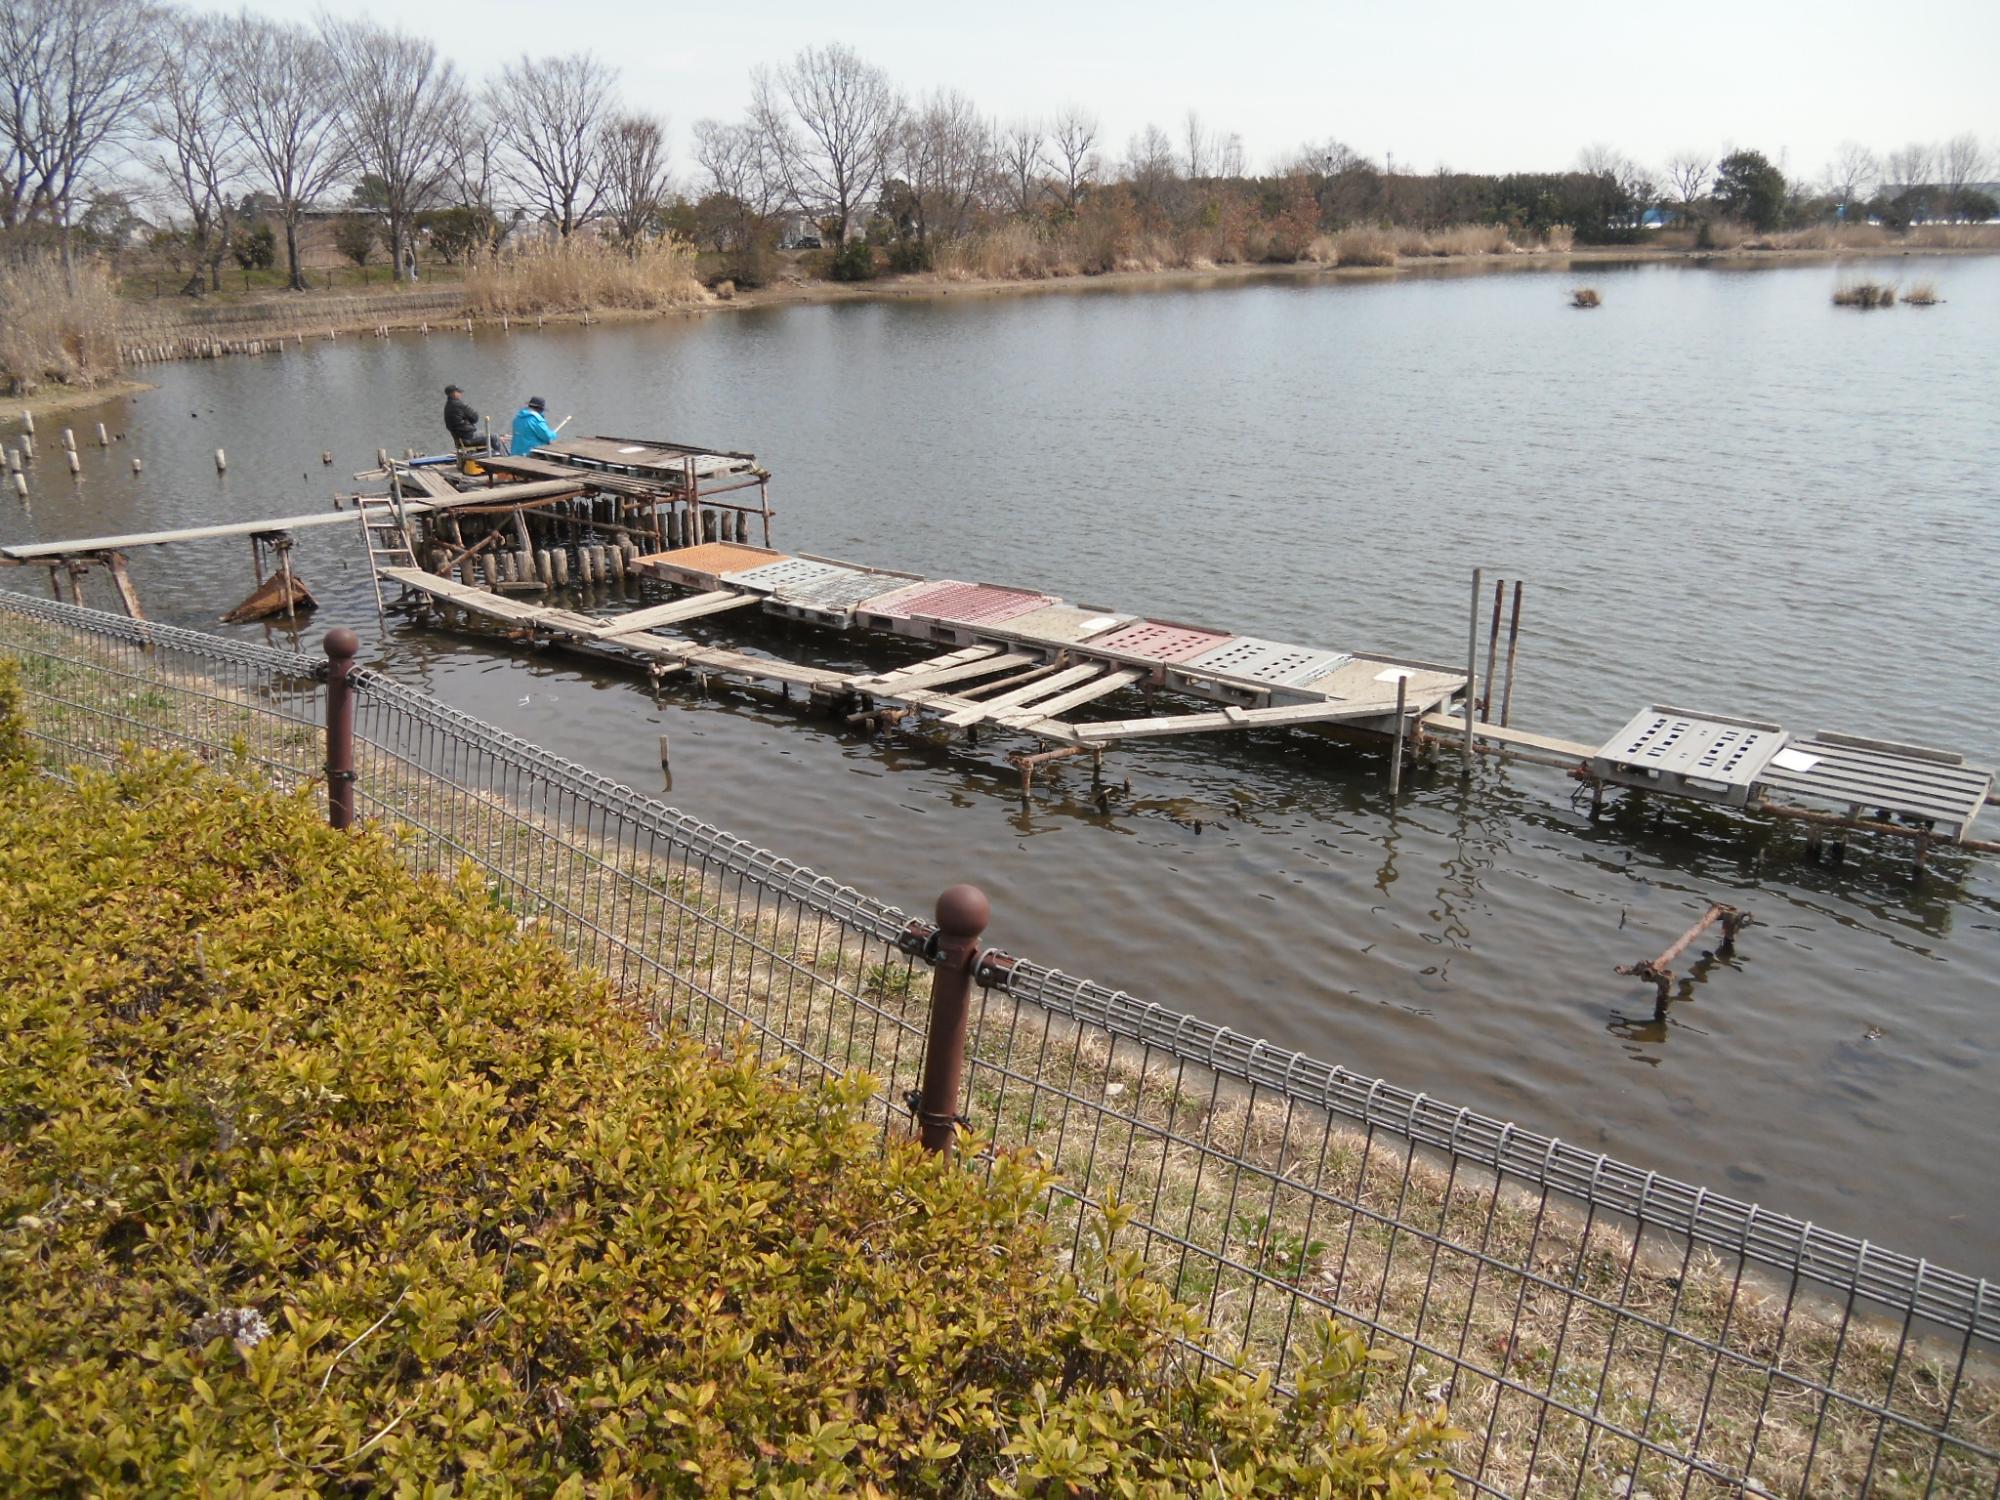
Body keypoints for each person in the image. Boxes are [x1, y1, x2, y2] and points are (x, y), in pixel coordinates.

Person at [443, 384, 483, 450]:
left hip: (459, 441)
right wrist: (468, 420)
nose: (461, 393)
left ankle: (482, 455)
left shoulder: (447, 406)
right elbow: (475, 417)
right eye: (459, 392)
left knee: (485, 434)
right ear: (454, 393)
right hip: (468, 438)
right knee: (494, 437)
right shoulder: (459, 404)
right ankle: (499, 458)